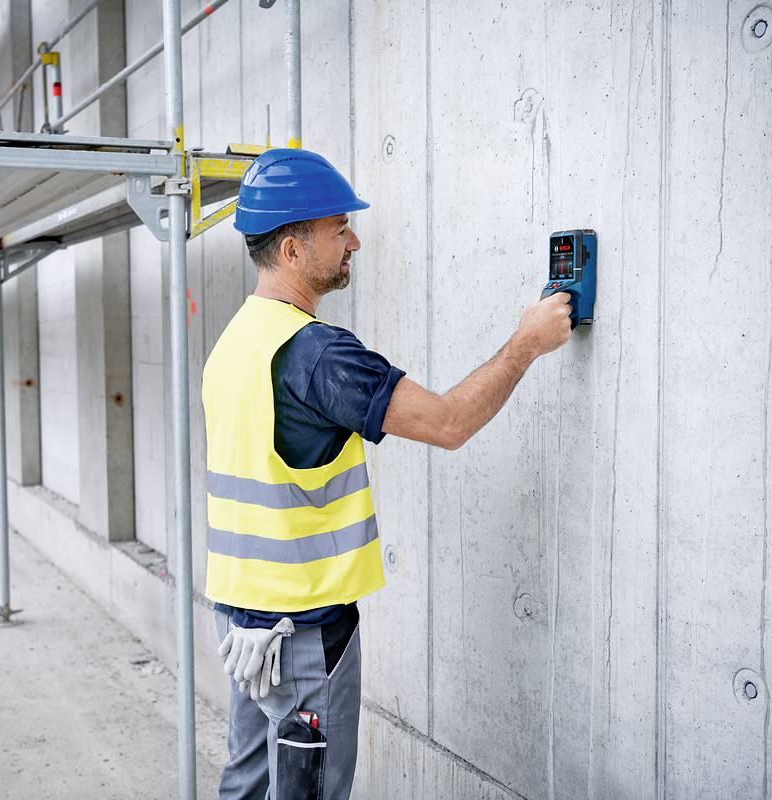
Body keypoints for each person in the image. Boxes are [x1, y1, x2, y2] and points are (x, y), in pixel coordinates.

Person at [204, 148, 574, 799]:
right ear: (292, 249)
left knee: (248, 783)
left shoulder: (236, 340)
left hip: (242, 622)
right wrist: (526, 343)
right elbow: (449, 423)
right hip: (301, 636)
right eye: (338, 229)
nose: (355, 241)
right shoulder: (317, 355)